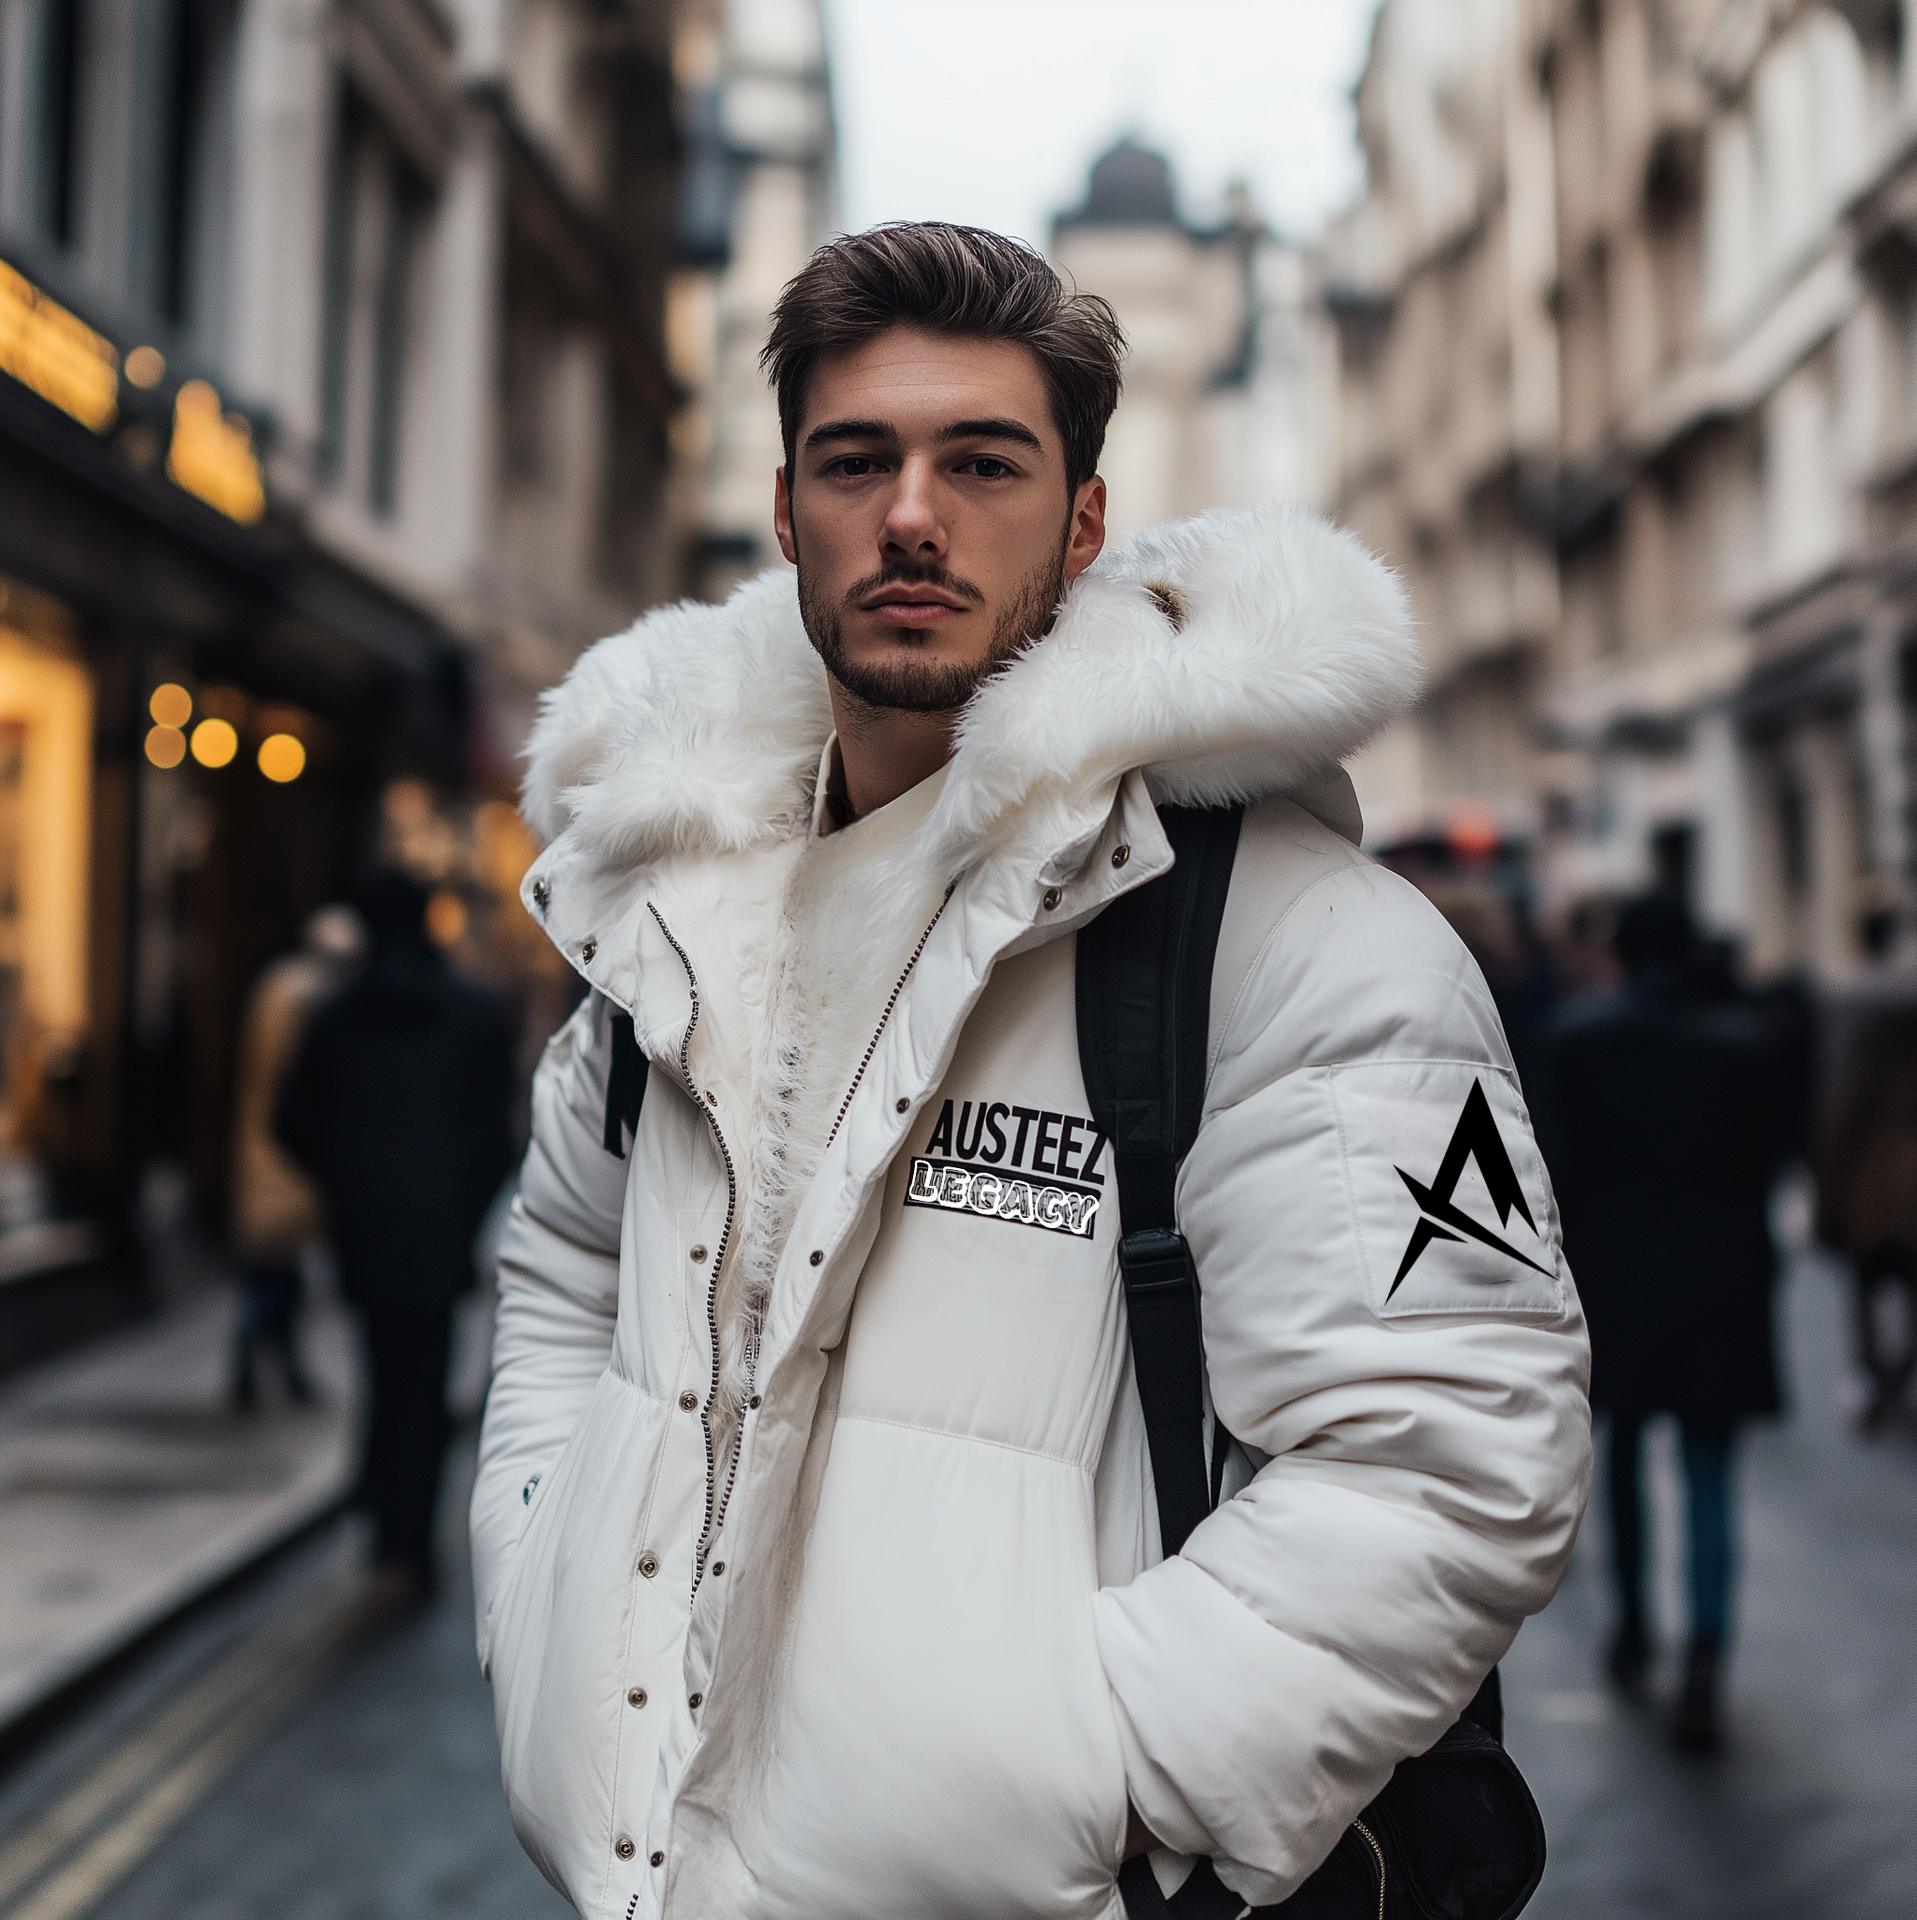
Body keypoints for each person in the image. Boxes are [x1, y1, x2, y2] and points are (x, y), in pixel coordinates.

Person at [472, 224, 1590, 1918]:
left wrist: (1094, 1779)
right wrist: (538, 1583)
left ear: (1083, 524)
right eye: (857, 461)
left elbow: (1453, 1450)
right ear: (786, 511)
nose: (913, 514)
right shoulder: (669, 913)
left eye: (983, 463)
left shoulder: (1301, 939)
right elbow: (565, 1269)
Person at [1536, 893, 1788, 1753]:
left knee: (1623, 1457)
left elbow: (1555, 1174)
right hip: (1720, 1277)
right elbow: (1765, 1165)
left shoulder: (1577, 1038)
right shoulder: (1742, 1043)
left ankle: (1634, 1624)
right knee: (1710, 1468)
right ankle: (1706, 1658)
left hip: (1617, 1277)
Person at [279, 869, 516, 1594]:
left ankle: (387, 1527)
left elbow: (289, 1120)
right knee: (424, 1386)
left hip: (366, 1234)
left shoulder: (337, 1016)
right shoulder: (476, 1013)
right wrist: (461, 1206)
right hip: (439, 1236)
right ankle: (408, 1542)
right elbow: (499, 1137)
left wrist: (347, 1184)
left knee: (381, 1374)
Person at [227, 904, 365, 1410]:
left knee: (274, 1274)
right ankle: (254, 1370)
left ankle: (274, 1370)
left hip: (266, 1147)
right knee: (273, 1275)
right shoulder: (308, 996)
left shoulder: (279, 983)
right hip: (284, 1155)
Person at [1814, 969, 1917, 1428]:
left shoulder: (1858, 1060)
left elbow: (1837, 1126)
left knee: (1863, 1289)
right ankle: (1901, 1375)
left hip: (1869, 1190)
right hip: (1908, 1190)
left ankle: (1874, 1380)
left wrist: (1826, 1203)